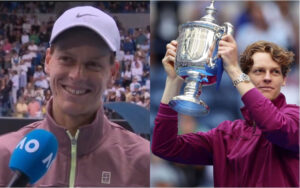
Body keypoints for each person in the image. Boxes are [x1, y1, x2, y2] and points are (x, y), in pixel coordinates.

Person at [0, 6, 149, 187]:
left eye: (92, 64)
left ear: (113, 73)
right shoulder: (4, 156)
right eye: (66, 59)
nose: (77, 75)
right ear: (48, 61)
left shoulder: (143, 163)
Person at [151, 35, 299, 187]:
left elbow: (272, 125)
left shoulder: (295, 118)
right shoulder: (227, 134)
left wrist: (233, 69)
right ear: (247, 76)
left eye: (275, 72)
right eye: (259, 71)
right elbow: (164, 147)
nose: (267, 78)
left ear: (284, 79)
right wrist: (173, 81)